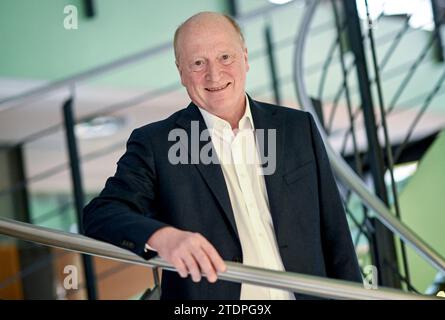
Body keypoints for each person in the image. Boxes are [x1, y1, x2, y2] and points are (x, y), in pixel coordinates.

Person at [83, 11, 362, 300]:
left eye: (225, 57)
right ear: (181, 72)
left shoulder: (297, 127)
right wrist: (163, 237)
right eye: (198, 63)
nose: (214, 75)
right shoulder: (155, 144)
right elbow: (100, 215)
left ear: (245, 57)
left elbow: (336, 235)